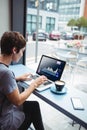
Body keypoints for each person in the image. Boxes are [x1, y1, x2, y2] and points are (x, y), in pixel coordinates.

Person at [0, 31, 47, 130]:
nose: (22, 54)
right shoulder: (6, 73)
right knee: (33, 110)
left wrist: (16, 78)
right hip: (4, 123)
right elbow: (18, 101)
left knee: (34, 105)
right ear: (14, 50)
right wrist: (34, 84)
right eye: (22, 51)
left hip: (3, 110)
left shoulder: (3, 70)